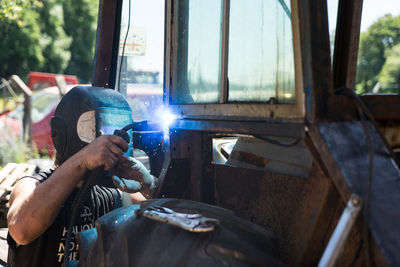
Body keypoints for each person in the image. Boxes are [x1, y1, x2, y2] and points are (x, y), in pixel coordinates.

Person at [6, 86, 157, 267]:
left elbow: (171, 220)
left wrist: (149, 185)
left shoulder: (117, 194)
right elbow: (21, 229)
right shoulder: (31, 185)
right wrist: (83, 160)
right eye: (101, 134)